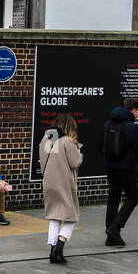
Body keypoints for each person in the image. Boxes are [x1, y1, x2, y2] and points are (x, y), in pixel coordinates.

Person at [103, 98, 138, 247]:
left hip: (111, 167)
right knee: (133, 197)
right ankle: (115, 228)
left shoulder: (108, 123)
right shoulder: (131, 127)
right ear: (134, 110)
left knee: (113, 199)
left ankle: (110, 236)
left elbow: (101, 144)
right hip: (127, 168)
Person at [39, 112, 83, 264]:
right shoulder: (67, 141)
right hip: (64, 182)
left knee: (54, 216)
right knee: (71, 216)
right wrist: (79, 151)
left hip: (48, 182)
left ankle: (52, 249)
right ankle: (59, 244)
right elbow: (75, 162)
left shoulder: (46, 138)